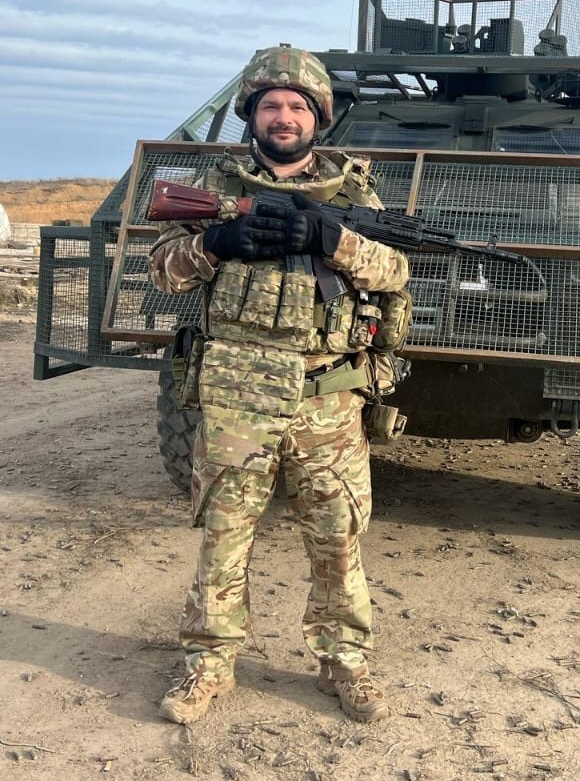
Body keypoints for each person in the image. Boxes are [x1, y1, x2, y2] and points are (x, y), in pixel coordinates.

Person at [148, 44, 410, 726]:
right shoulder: (217, 187)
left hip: (327, 399)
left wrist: (332, 241)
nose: (284, 117)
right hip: (238, 404)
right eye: (271, 105)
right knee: (223, 539)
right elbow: (162, 272)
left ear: (317, 117)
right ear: (252, 114)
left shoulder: (351, 193)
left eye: (297, 106)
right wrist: (216, 244)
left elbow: (395, 271)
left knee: (338, 541)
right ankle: (207, 667)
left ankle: (346, 665)